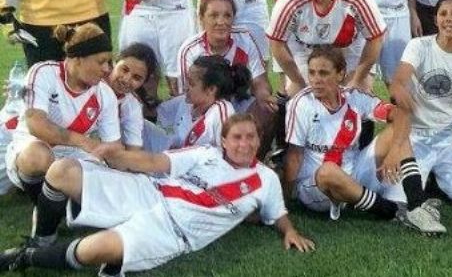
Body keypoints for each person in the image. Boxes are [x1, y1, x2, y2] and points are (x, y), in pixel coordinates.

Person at [0, 114, 314, 276]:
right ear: (224, 140)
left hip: (173, 230)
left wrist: (290, 232)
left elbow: (277, 213)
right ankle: (42, 237)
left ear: (260, 140)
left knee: (97, 249)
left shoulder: (265, 179)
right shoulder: (206, 153)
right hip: (148, 192)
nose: (244, 144)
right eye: (237, 137)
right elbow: (153, 163)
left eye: (251, 137)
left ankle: (26, 258)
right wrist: (114, 155)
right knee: (62, 171)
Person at [284, 46, 445, 234]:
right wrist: (286, 203)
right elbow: (294, 156)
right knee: (328, 171)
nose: (316, 80)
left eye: (323, 73)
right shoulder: (301, 103)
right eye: (311, 73)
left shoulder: (354, 97)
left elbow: (400, 114)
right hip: (317, 186)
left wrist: (395, 150)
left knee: (397, 131)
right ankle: (393, 211)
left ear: (340, 74)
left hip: (355, 173)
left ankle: (417, 204)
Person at [4, 23, 120, 205]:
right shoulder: (43, 72)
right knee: (38, 156)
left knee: (106, 190)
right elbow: (37, 125)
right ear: (78, 59)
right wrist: (85, 142)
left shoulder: (105, 94)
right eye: (101, 61)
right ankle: (41, 206)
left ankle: (62, 202)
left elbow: (113, 147)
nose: (107, 69)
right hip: (33, 147)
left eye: (109, 62)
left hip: (74, 155)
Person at [390, 0, 452, 208]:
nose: (449, 19)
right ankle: (428, 177)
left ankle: (435, 180)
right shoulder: (418, 46)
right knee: (398, 200)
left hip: (449, 136)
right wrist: (400, 91)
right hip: (416, 136)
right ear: (435, 20)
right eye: (443, 14)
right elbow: (398, 81)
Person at [268, 0, 385, 96]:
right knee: (301, 98)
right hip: (305, 49)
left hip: (349, 48)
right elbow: (276, 43)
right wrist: (298, 81)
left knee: (357, 96)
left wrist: (357, 79)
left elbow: (376, 38)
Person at [177, 0, 278, 149]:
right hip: (203, 108)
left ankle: (256, 160)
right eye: (214, 15)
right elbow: (188, 96)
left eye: (227, 16)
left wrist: (264, 96)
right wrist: (223, 115)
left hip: (239, 101)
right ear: (202, 19)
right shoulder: (189, 49)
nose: (221, 22)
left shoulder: (245, 38)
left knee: (267, 110)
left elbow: (259, 80)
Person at [147, 55, 248, 152]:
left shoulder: (221, 112)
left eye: (191, 83)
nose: (185, 87)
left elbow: (233, 154)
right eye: (186, 81)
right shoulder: (185, 103)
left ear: (211, 89)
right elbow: (155, 112)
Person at [105, 43, 159, 150]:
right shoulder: (93, 83)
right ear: (115, 61)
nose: (126, 79)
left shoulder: (132, 105)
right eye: (124, 70)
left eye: (137, 78)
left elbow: (133, 150)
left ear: (144, 82)